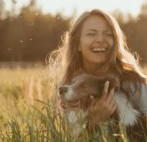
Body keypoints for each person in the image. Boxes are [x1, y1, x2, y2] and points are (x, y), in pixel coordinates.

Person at [48, 9, 147, 138]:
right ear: (78, 44)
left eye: (108, 34)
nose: (100, 39)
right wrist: (93, 121)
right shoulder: (66, 88)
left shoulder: (134, 83)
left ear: (115, 41)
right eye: (91, 34)